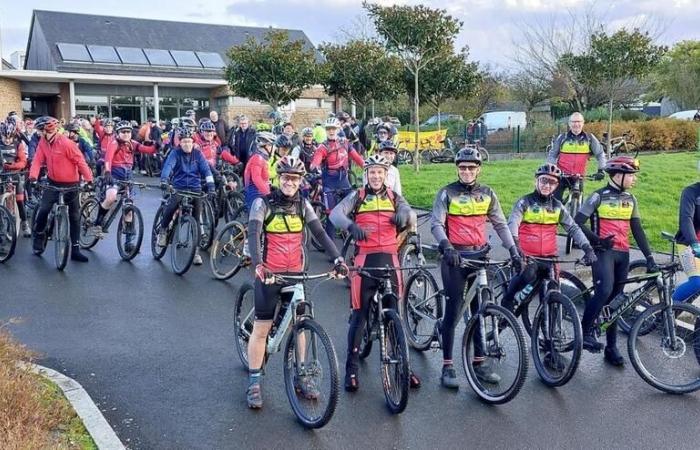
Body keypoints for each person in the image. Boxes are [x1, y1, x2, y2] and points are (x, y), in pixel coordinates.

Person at [245, 155, 347, 409]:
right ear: (278, 179)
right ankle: (254, 381)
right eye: (286, 178)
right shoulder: (263, 203)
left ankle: (301, 375)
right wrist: (259, 265)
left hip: (297, 274)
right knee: (262, 329)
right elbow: (254, 234)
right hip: (269, 274)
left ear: (301, 181)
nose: (290, 182)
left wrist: (338, 259)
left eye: (295, 178)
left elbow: (320, 234)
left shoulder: (303, 205)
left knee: (300, 325)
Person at [430, 147, 521, 388]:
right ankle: (447, 365)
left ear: (478, 169)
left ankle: (479, 363)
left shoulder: (488, 193)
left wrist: (513, 249)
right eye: (462, 168)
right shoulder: (446, 193)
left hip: (480, 256)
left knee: (480, 308)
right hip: (455, 258)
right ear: (457, 169)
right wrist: (447, 246)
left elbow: (501, 224)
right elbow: (436, 223)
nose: (467, 171)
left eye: (471, 168)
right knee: (453, 310)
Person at [329, 154, 418, 392]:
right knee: (359, 316)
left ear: (386, 175)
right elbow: (335, 214)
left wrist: (404, 215)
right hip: (364, 261)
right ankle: (351, 368)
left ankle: (404, 367)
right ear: (365, 175)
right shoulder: (357, 197)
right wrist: (350, 226)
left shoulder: (394, 197)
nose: (376, 176)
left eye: (380, 172)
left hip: (390, 260)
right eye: (371, 172)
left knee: (394, 315)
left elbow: (409, 212)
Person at [575, 156, 657, 366]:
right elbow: (578, 222)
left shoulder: (631, 199)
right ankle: (585, 333)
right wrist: (598, 241)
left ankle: (611, 348)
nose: (634, 180)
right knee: (604, 291)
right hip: (602, 252)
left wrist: (649, 258)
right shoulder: (598, 196)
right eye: (631, 176)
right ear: (618, 175)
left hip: (623, 253)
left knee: (617, 300)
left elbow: (637, 229)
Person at [501, 163, 597, 320]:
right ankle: (509, 298)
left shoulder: (558, 206)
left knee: (553, 293)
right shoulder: (524, 202)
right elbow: (512, 224)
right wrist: (516, 246)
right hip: (527, 256)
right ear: (536, 181)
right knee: (528, 275)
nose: (547, 185)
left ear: (556, 185)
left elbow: (573, 228)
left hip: (550, 257)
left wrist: (587, 248)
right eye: (544, 180)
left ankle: (549, 336)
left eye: (552, 182)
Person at [28, 116, 93, 262]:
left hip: (71, 184)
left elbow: (80, 161)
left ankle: (75, 250)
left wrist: (89, 180)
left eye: (39, 130)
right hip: (53, 183)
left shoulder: (66, 143)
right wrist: (33, 177)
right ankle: (39, 235)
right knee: (44, 209)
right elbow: (37, 160)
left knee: (75, 217)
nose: (38, 133)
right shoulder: (43, 143)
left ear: (47, 130)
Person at [92, 121, 156, 254]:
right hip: (114, 174)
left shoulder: (133, 144)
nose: (126, 134)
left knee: (129, 210)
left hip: (128, 176)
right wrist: (108, 171)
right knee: (111, 198)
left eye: (128, 132)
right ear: (118, 133)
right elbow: (108, 158)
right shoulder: (114, 143)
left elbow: (148, 150)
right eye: (123, 132)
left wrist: (157, 146)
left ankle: (129, 242)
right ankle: (98, 223)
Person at [158, 127, 215, 266]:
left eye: (189, 141)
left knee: (196, 218)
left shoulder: (198, 154)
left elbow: (206, 170)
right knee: (171, 207)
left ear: (193, 142)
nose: (187, 144)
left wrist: (211, 186)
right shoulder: (175, 153)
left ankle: (195, 252)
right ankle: (163, 231)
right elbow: (168, 167)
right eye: (184, 142)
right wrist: (164, 180)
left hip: (195, 188)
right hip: (179, 187)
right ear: (180, 142)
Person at [310, 117, 365, 239]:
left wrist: (368, 168)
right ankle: (331, 248)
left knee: (357, 206)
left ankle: (356, 235)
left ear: (338, 129)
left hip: (344, 182)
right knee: (331, 215)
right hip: (329, 184)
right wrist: (314, 166)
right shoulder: (323, 147)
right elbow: (316, 160)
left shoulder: (345, 143)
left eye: (333, 129)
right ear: (325, 130)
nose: (331, 131)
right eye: (328, 129)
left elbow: (357, 158)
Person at [546, 112, 606, 202]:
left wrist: (601, 170)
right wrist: (551, 168)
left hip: (579, 177)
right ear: (569, 123)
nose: (576, 124)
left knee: (579, 203)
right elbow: (552, 154)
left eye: (579, 121)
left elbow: (600, 154)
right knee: (554, 202)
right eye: (573, 122)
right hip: (562, 175)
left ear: (583, 123)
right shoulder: (562, 138)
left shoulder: (589, 138)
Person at [0, 120, 31, 237]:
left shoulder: (19, 144)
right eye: (5, 137)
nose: (7, 140)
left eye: (10, 137)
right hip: (2, 174)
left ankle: (24, 223)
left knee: (19, 200)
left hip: (15, 174)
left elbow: (23, 161)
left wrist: (12, 166)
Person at [673, 174, 700, 302]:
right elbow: (686, 219)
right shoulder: (691, 192)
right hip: (689, 244)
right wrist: (694, 244)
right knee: (697, 282)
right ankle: (662, 315)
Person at [243, 131, 276, 212]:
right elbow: (256, 178)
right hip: (255, 193)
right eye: (272, 145)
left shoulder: (262, 158)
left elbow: (263, 177)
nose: (274, 148)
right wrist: (268, 193)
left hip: (260, 191)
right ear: (266, 146)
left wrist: (269, 185)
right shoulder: (258, 158)